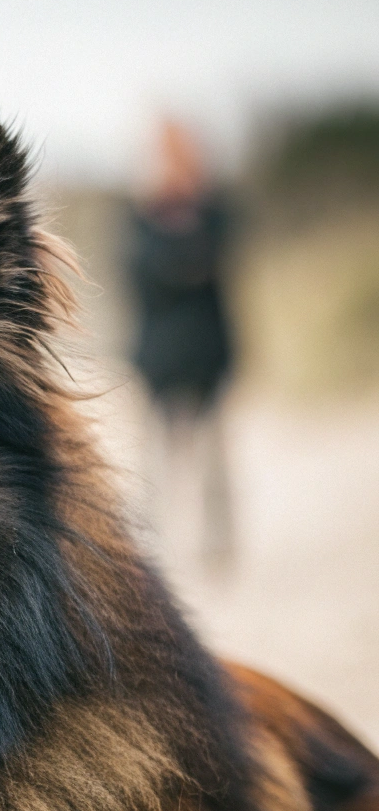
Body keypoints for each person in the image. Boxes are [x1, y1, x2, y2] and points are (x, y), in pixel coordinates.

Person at [127, 119, 235, 567]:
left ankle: (218, 546)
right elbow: (150, 274)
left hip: (206, 355)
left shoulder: (213, 211)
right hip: (160, 360)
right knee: (153, 464)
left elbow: (214, 261)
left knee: (212, 461)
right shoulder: (138, 218)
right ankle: (148, 551)